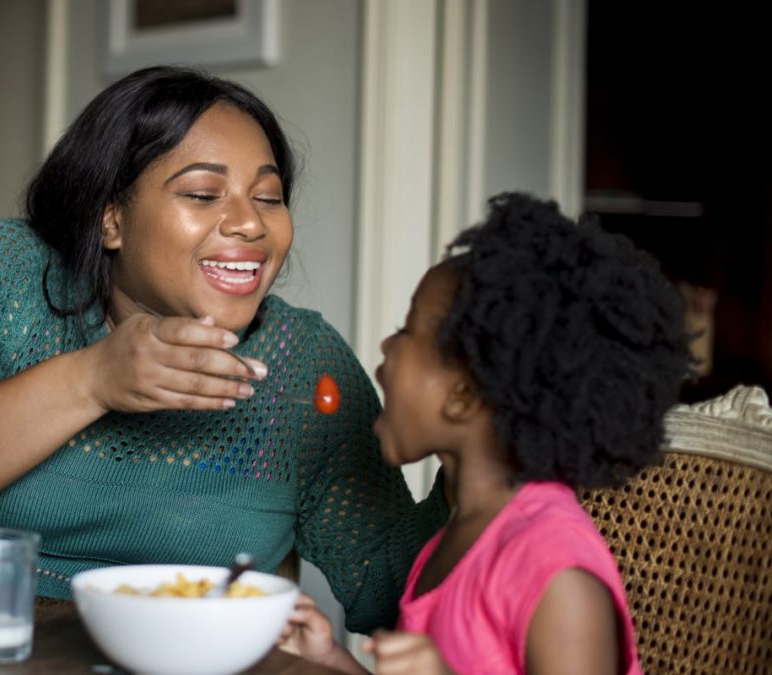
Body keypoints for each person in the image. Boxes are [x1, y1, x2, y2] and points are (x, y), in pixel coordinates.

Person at [0, 65, 450, 632]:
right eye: (204, 195)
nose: (250, 224)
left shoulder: (301, 363)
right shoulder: (12, 276)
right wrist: (93, 379)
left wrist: (484, 456)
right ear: (111, 219)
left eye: (268, 197)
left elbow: (397, 587)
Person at [281, 192, 692, 673]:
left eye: (407, 330)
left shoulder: (553, 566)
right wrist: (330, 659)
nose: (386, 346)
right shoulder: (454, 538)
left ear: (462, 394)